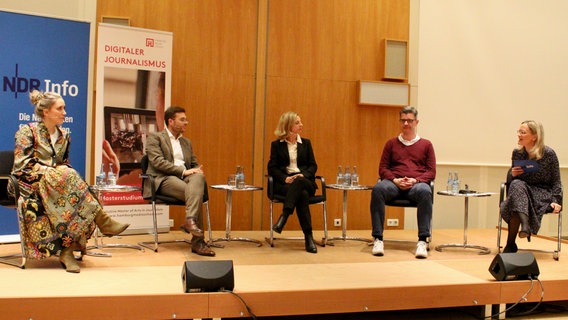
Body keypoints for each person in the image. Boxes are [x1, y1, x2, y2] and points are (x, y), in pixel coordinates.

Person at [10, 90, 129, 273]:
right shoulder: (27, 132)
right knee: (68, 174)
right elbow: (22, 166)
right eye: (60, 108)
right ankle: (102, 220)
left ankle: (67, 251)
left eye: (64, 108)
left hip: (56, 182)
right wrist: (53, 171)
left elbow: (64, 164)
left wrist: (60, 172)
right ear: (46, 112)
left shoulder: (64, 136)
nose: (65, 112)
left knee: (73, 181)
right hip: (29, 182)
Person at [143, 106, 215, 257]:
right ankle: (198, 242)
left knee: (199, 179)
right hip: (163, 179)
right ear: (171, 121)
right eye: (182, 119)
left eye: (186, 119)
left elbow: (194, 164)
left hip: (186, 178)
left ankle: (190, 220)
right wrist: (183, 171)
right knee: (196, 194)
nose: (186, 122)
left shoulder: (186, 142)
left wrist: (197, 170)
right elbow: (157, 162)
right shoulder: (155, 138)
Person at [369, 106, 436, 258]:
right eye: (403, 120)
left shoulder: (426, 145)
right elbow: (383, 168)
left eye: (409, 120)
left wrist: (415, 180)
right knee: (378, 189)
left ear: (416, 122)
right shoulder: (391, 144)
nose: (406, 123)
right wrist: (395, 180)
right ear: (400, 122)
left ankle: (422, 241)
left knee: (426, 191)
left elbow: (431, 172)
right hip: (394, 184)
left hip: (416, 185)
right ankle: (378, 238)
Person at [499, 120, 562, 253]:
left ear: (534, 136)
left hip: (541, 192)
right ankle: (525, 226)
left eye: (523, 132)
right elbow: (511, 183)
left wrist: (556, 200)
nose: (519, 135)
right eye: (519, 132)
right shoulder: (517, 153)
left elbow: (556, 181)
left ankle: (511, 244)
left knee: (516, 201)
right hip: (521, 190)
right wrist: (513, 174)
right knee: (516, 185)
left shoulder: (549, 154)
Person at [268, 111, 319, 253]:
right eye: (297, 123)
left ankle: (284, 217)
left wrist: (302, 174)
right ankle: (308, 237)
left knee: (301, 183)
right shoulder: (277, 145)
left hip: (305, 181)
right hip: (287, 183)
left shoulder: (306, 143)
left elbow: (313, 166)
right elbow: (272, 168)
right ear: (288, 126)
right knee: (301, 195)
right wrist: (285, 178)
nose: (301, 125)